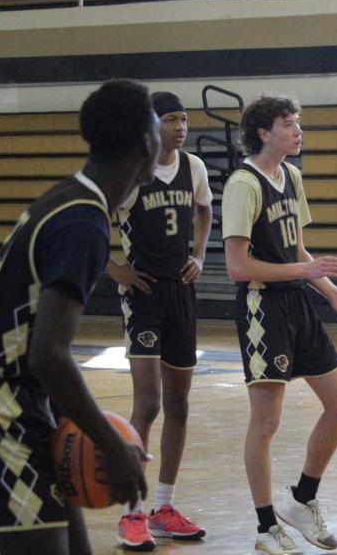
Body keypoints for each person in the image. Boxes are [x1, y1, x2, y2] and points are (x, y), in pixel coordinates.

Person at [0, 79, 157, 555]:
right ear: (146, 143)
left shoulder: (67, 201)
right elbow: (49, 353)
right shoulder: (81, 220)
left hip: (28, 413)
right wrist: (109, 443)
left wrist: (70, 431)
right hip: (8, 421)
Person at [221, 93, 337, 555]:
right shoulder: (244, 184)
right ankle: (267, 527)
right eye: (289, 123)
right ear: (264, 132)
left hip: (298, 304)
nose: (298, 130)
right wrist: (303, 273)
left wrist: (331, 291)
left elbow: (297, 251)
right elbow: (238, 267)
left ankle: (301, 499)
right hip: (263, 309)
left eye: (298, 123)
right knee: (266, 423)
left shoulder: (292, 176)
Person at [106, 91, 213, 550]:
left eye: (184, 120)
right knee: (147, 403)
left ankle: (164, 507)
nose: (181, 127)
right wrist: (115, 270)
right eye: (171, 119)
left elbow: (206, 210)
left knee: (180, 405)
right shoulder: (131, 170)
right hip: (144, 295)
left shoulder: (194, 168)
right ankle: (131, 512)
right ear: (152, 125)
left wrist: (200, 254)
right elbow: (92, 222)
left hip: (181, 292)